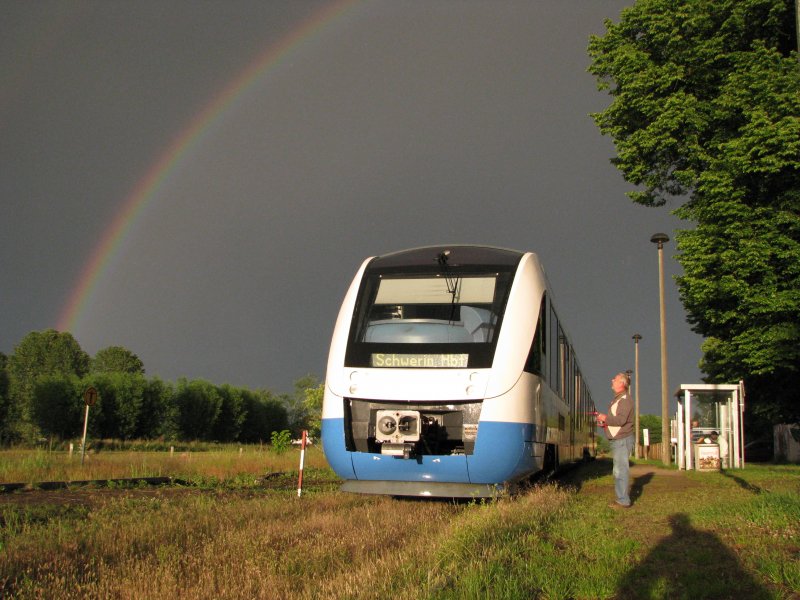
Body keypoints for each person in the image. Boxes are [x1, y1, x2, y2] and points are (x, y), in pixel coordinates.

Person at [597, 372, 635, 508]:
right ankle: (621, 498)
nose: (612, 380)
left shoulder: (625, 400)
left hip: (622, 440)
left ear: (622, 384)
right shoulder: (619, 399)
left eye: (615, 379)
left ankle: (623, 501)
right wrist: (605, 424)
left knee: (620, 470)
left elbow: (620, 420)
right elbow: (617, 420)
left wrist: (604, 418)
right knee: (618, 470)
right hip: (619, 439)